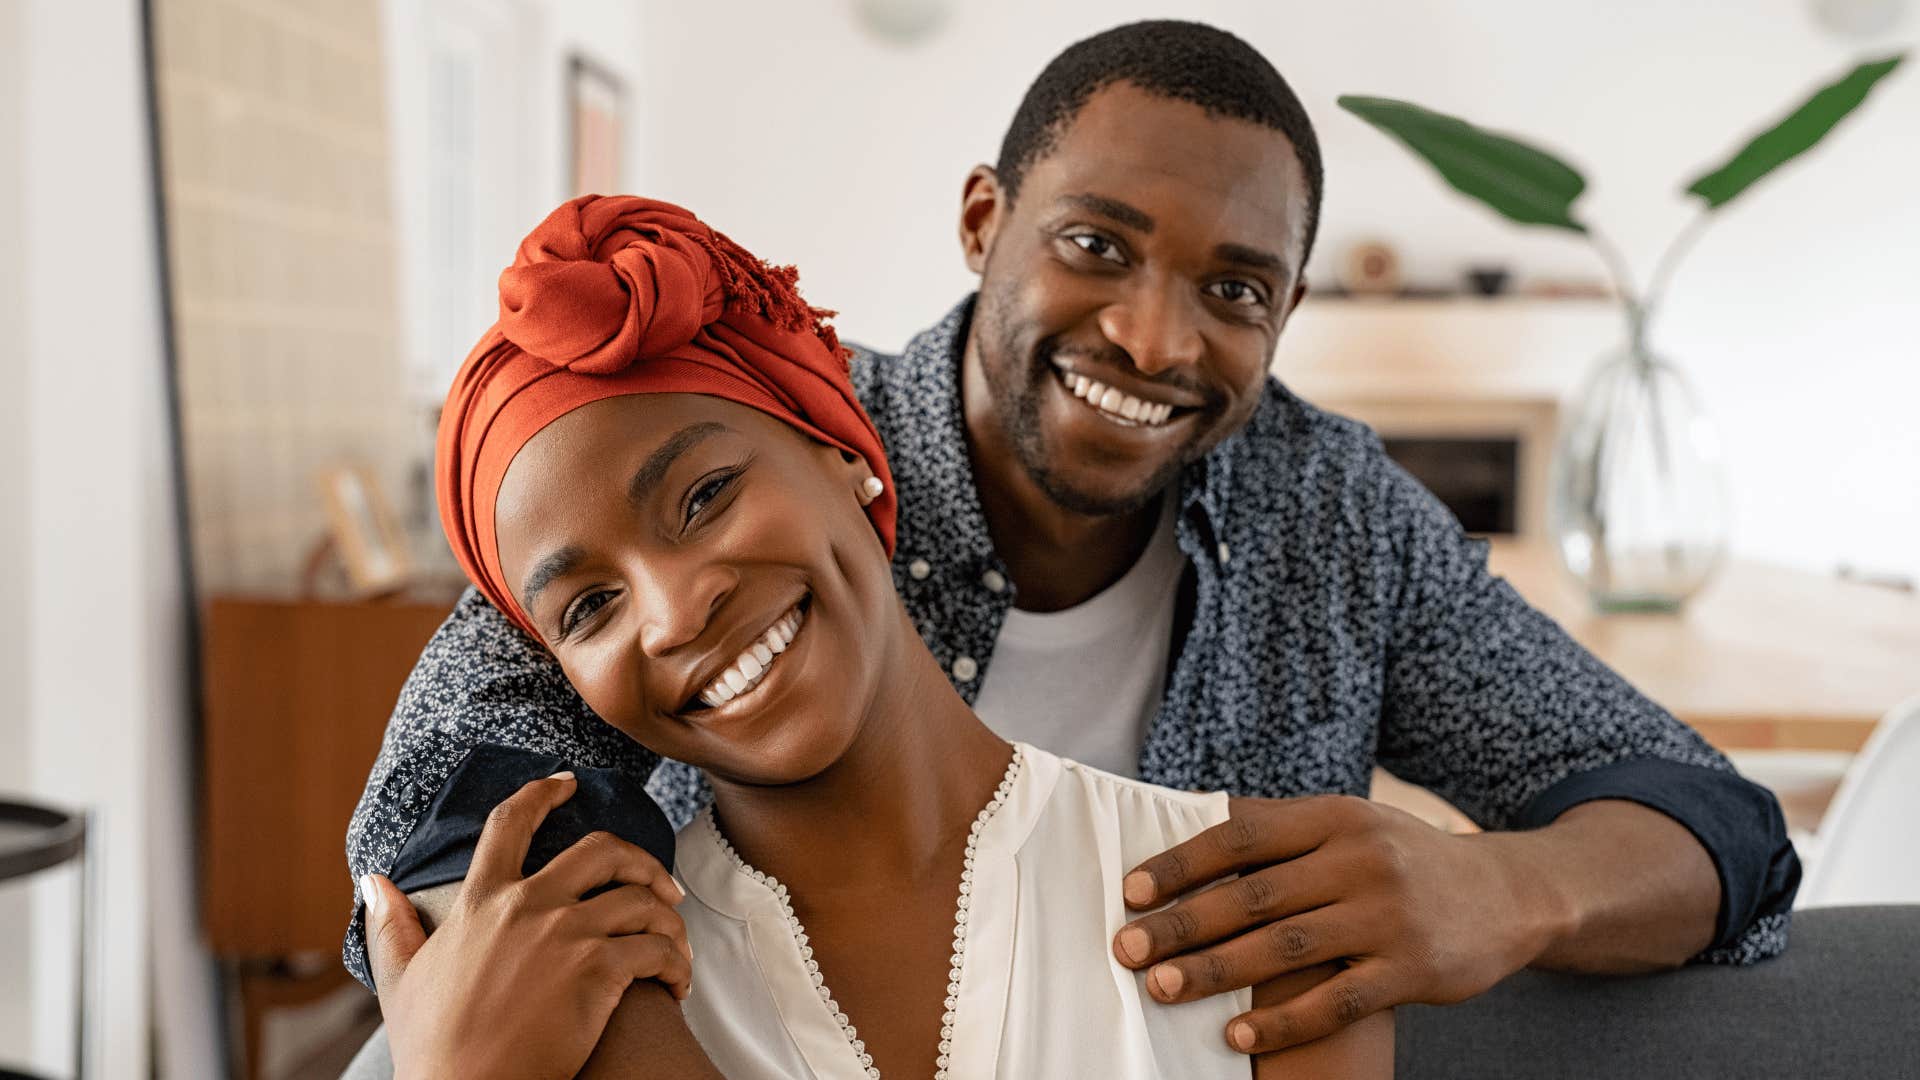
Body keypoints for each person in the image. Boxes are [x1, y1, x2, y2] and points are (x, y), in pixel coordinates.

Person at [347, 18, 1798, 1057]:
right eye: (1096, 246)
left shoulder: (1336, 520)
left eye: (1235, 289)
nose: (1156, 337)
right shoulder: (749, 465)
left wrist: (1511, 886)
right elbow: (439, 820)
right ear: (985, 222)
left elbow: (1717, 826)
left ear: (1286, 318)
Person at [361, 193, 1395, 1078]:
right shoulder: (564, 988)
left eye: (707, 495)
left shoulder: (1260, 917)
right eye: (589, 608)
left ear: (847, 454)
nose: (675, 612)